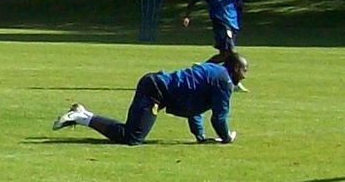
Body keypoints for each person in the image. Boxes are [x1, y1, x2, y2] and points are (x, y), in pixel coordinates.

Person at [51, 53, 248, 145]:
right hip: (155, 90)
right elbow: (219, 118)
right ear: (235, 68)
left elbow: (193, 104)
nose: (245, 76)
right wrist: (226, 137)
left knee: (133, 134)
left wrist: (200, 136)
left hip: (156, 86)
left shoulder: (215, 72)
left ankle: (82, 114)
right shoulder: (224, 82)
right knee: (132, 137)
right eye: (244, 70)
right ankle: (81, 116)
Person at [182, 0, 247, 91]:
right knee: (231, 53)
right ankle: (233, 81)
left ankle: (201, 71)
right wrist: (187, 16)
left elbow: (235, 2)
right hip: (221, 21)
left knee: (224, 55)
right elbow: (193, 1)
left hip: (232, 22)